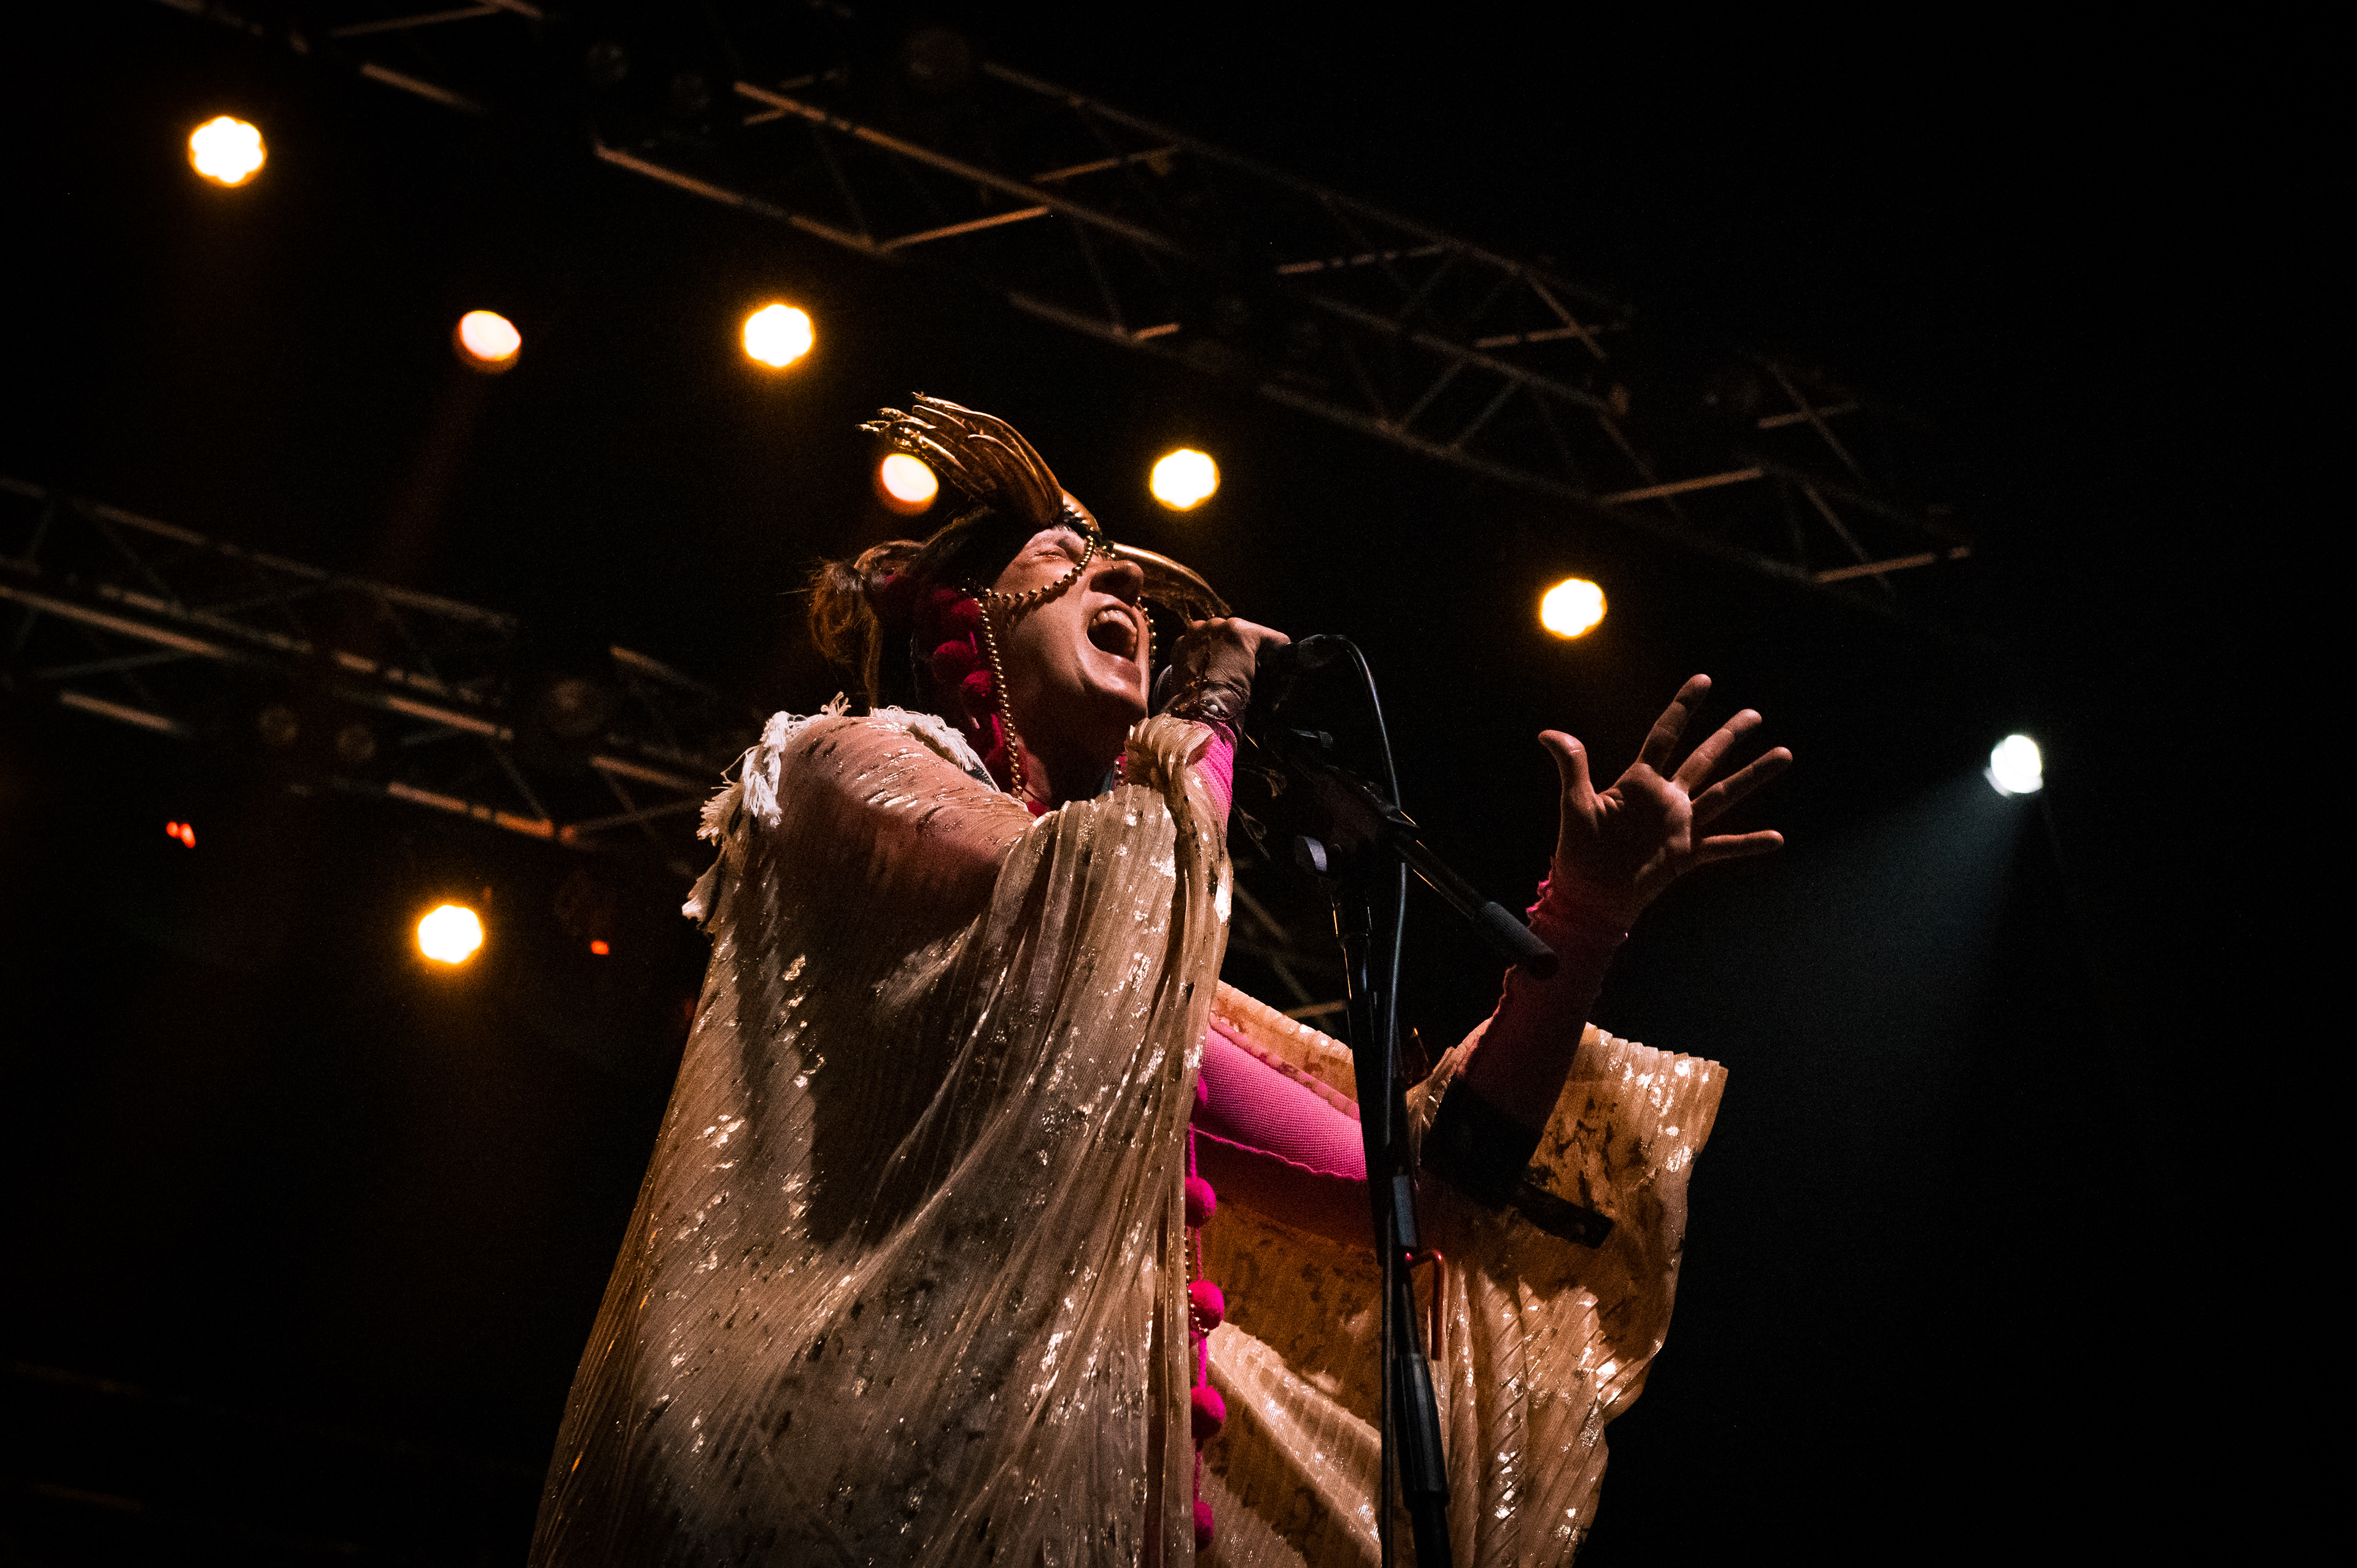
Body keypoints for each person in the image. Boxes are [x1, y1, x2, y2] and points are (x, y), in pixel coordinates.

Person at [527, 398, 1789, 1566]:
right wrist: (1214, 703)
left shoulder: (1127, 989)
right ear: (958, 614)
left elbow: (1422, 1190)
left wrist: (1585, 917)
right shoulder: (845, 765)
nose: (1127, 579)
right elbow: (1073, 903)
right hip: (843, 1488)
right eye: (1068, 558)